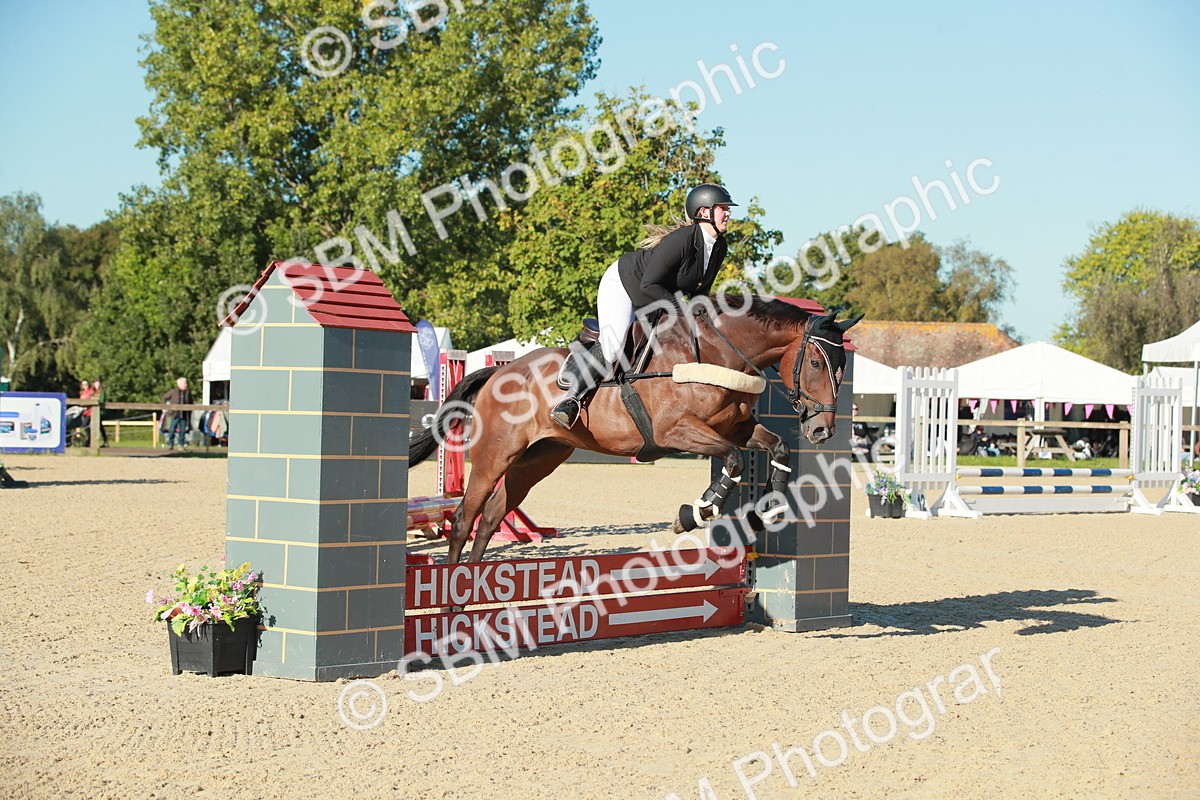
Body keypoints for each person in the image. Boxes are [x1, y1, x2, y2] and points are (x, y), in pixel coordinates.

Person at [551, 183, 736, 428]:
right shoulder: (680, 240)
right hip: (625, 283)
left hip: (656, 295)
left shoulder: (719, 247)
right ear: (704, 212)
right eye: (723, 209)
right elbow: (649, 283)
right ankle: (571, 399)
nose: (728, 214)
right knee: (614, 343)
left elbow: (700, 292)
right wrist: (681, 311)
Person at [162, 377, 192, 450]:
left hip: (184, 414)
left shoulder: (188, 393)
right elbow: (164, 397)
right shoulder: (173, 392)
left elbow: (191, 402)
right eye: (185, 383)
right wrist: (164, 407)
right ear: (180, 384)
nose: (186, 385)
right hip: (175, 414)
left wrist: (189, 410)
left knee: (182, 431)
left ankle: (181, 445)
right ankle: (170, 444)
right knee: (172, 429)